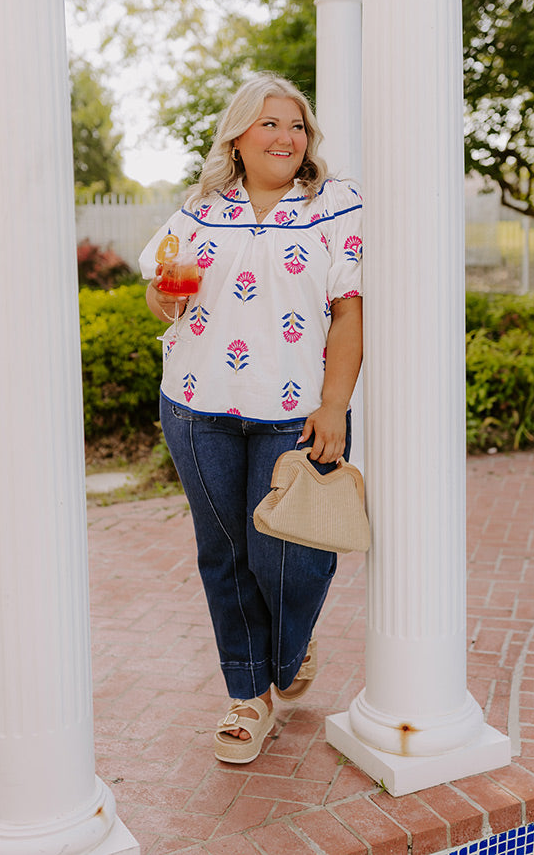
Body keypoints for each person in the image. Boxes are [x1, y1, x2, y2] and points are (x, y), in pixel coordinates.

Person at [139, 73, 362, 765]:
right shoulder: (200, 209)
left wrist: (334, 405)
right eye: (270, 124)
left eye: (297, 126)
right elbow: (159, 290)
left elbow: (350, 312)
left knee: (290, 555)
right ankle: (248, 694)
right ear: (238, 135)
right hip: (197, 406)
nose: (286, 137)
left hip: (292, 416)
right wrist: (164, 297)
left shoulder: (335, 206)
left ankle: (290, 640)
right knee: (226, 553)